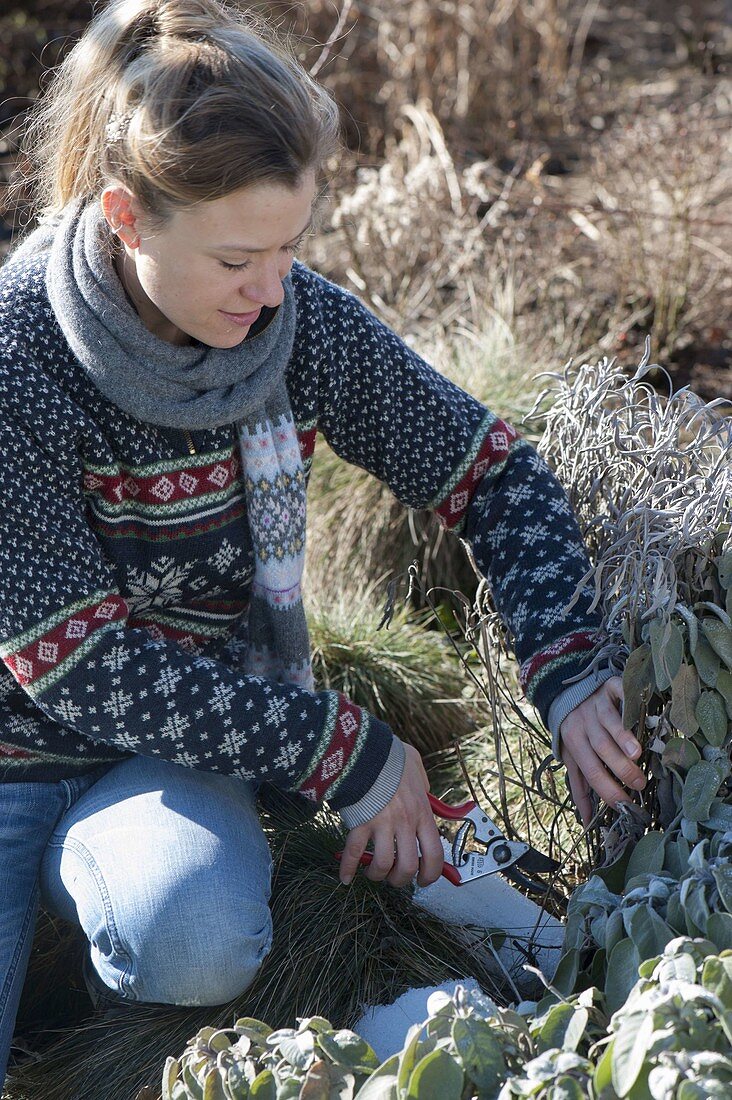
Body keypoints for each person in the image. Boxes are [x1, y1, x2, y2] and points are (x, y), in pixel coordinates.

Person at [0, 0, 646, 1085]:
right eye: (239, 257)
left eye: (292, 247)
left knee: (197, 937)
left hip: (183, 752)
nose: (271, 288)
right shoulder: (18, 351)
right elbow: (76, 663)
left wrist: (571, 669)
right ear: (125, 215)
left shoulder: (293, 322)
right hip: (15, 748)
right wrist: (341, 745)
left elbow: (490, 469)